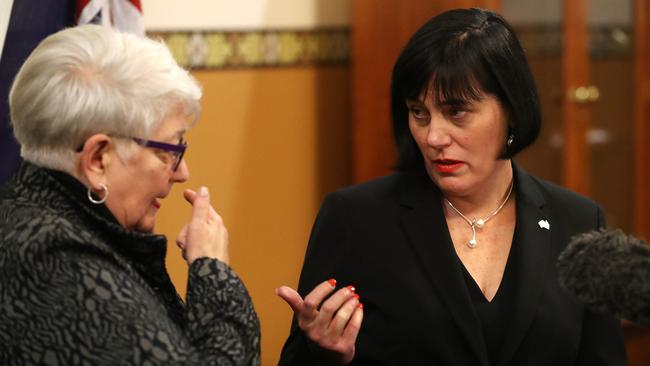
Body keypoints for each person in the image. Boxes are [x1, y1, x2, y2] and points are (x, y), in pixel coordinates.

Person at [276, 8, 627, 366]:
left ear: (512, 111)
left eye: (456, 112)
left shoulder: (580, 222)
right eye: (419, 113)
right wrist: (325, 355)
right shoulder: (355, 219)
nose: (433, 137)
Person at [0, 25, 260, 365]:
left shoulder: (34, 215)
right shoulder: (53, 260)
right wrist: (212, 269)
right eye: (170, 150)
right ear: (98, 159)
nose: (182, 173)